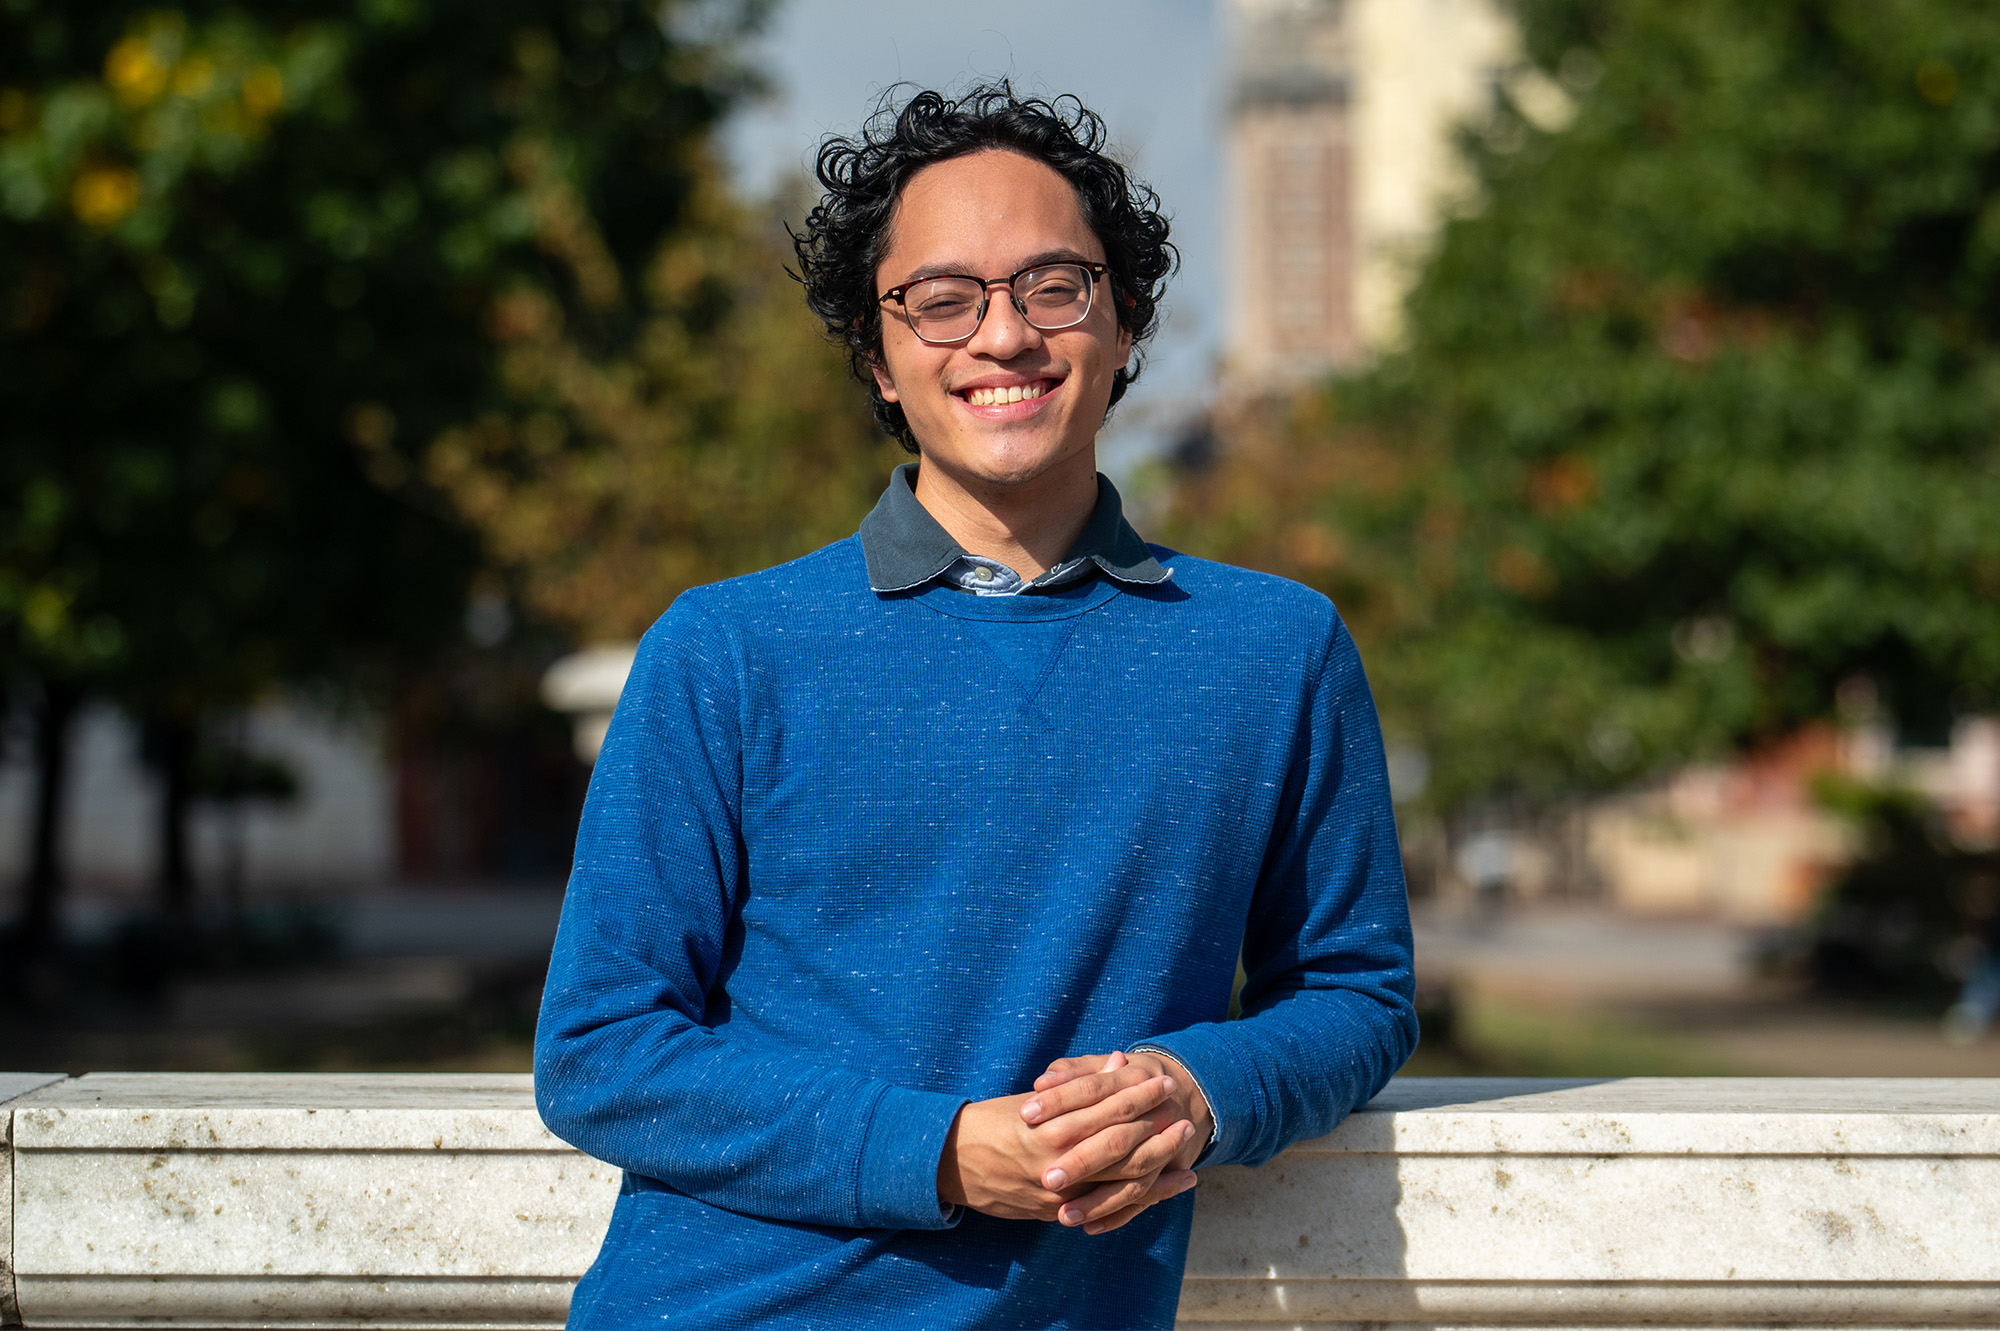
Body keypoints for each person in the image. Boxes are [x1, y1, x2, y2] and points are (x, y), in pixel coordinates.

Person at [534, 83, 1418, 1330]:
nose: (1001, 337)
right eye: (940, 300)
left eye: (1054, 286)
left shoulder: (1274, 649)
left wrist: (1198, 1086)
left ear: (1121, 323)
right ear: (877, 354)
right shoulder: (726, 648)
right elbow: (602, 1052)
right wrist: (941, 1151)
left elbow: (1354, 993)